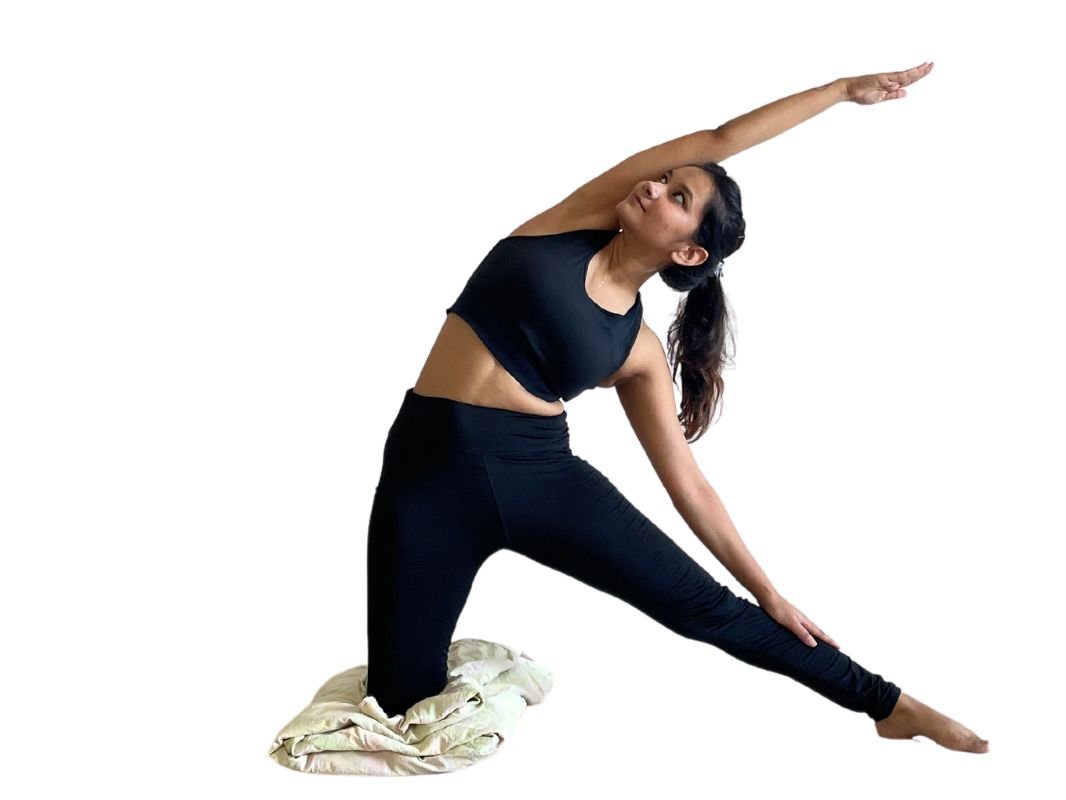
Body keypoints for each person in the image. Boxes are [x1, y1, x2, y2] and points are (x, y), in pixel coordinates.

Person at [367, 61, 989, 754]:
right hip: (424, 468)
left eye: (677, 194)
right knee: (397, 698)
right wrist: (841, 91)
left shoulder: (635, 351)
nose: (654, 184)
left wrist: (769, 591)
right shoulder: (571, 222)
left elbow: (689, 483)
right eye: (666, 178)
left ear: (687, 247)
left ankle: (886, 702)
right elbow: (720, 138)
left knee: (704, 608)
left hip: (538, 477)